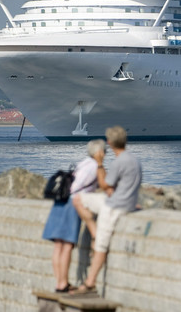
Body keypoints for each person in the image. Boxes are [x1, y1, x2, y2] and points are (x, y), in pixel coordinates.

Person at [70, 126, 142, 295]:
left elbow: (104, 185)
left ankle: (89, 283)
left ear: (109, 143)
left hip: (115, 207)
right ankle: (94, 230)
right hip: (128, 202)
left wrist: (100, 164)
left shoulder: (119, 162)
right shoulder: (134, 160)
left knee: (101, 245)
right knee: (81, 199)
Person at [41, 139, 105, 293]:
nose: (105, 154)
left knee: (58, 245)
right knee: (68, 245)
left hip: (60, 202)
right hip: (72, 204)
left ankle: (59, 284)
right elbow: (100, 185)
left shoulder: (82, 163)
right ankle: (63, 284)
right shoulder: (95, 166)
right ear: (98, 152)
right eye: (104, 151)